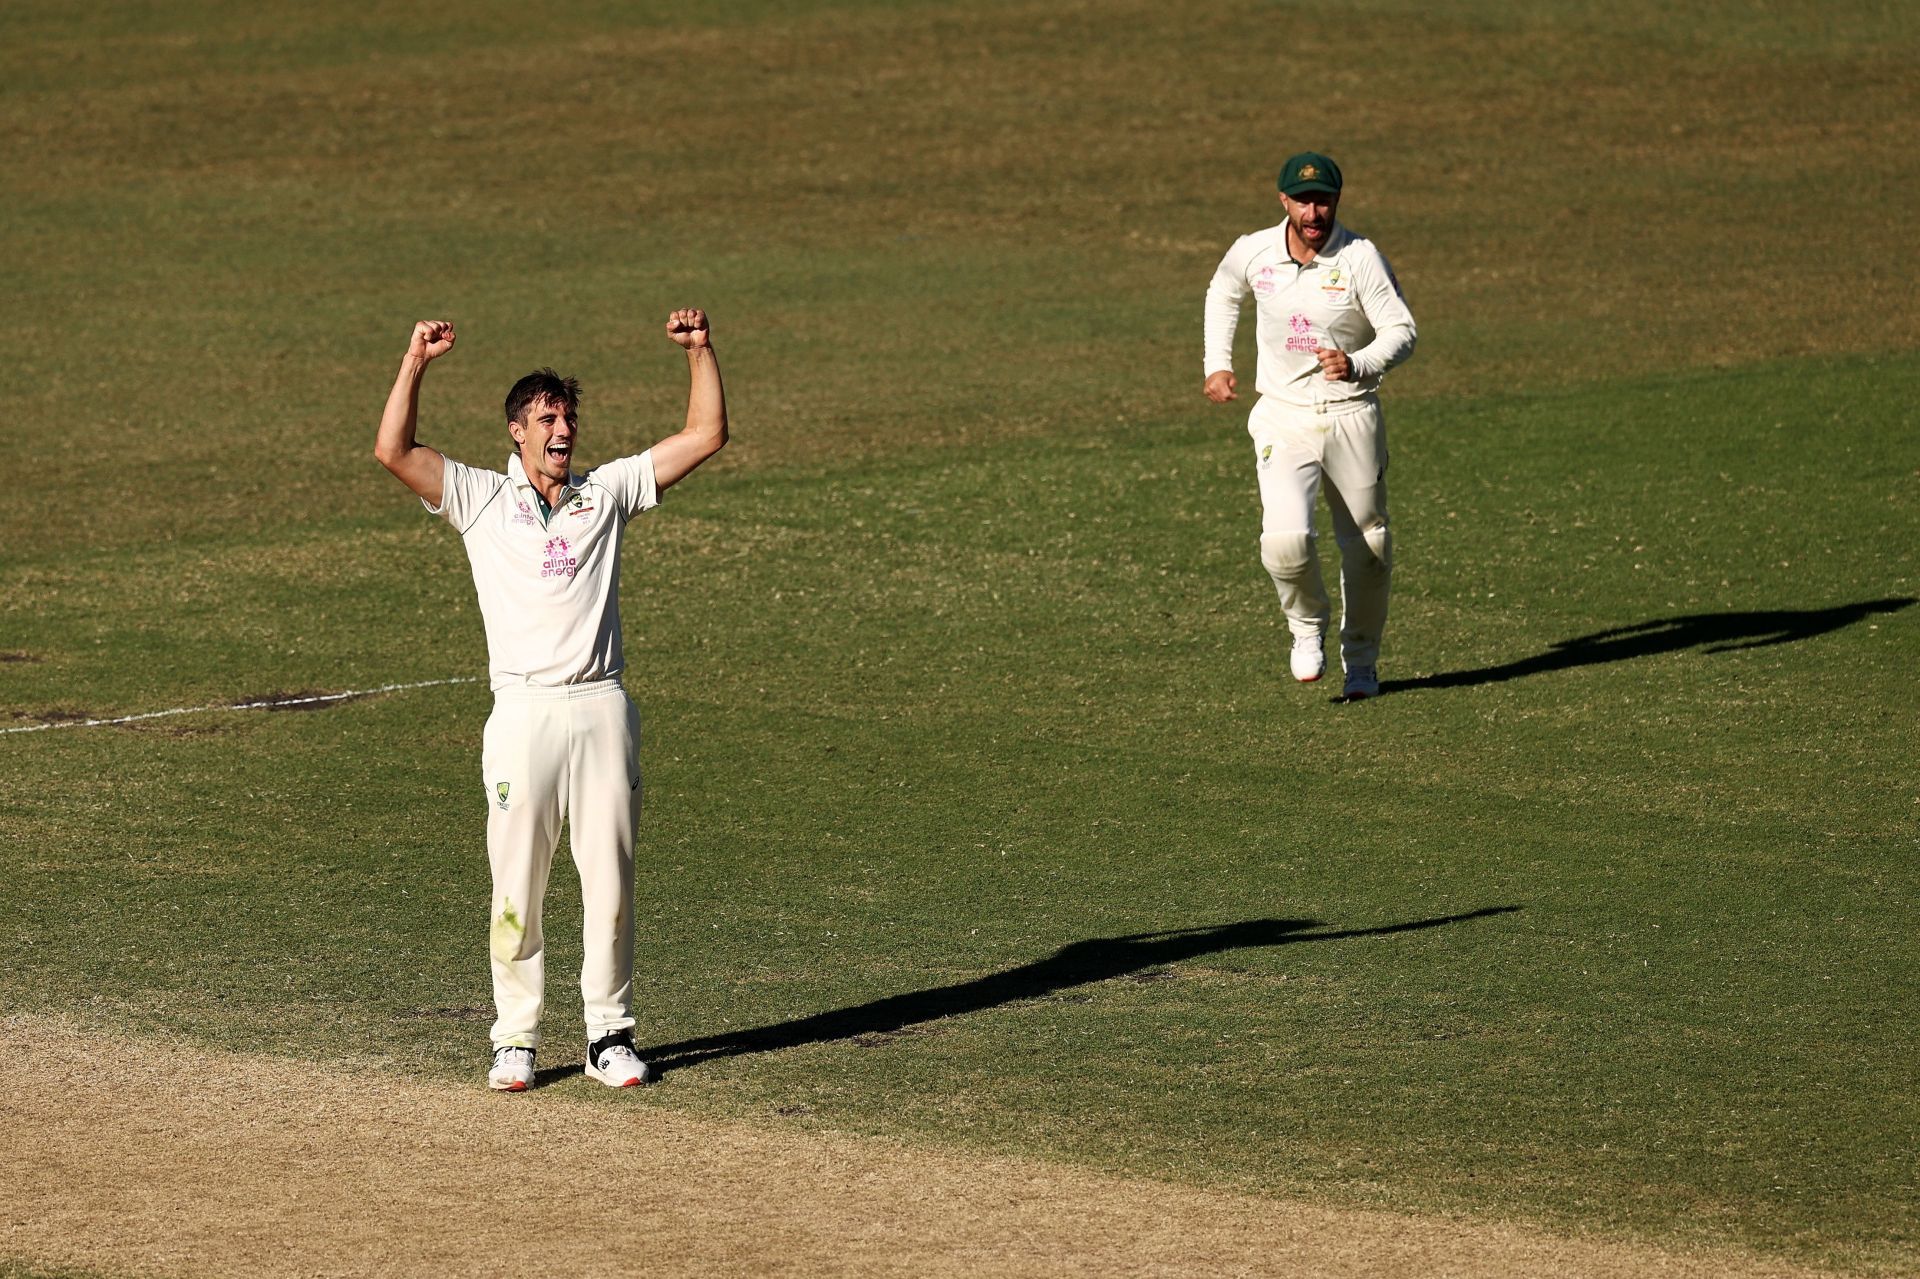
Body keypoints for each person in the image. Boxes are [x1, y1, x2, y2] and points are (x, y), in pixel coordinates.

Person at [373, 309, 728, 1091]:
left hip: (601, 707)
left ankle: (609, 1035)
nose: (562, 428)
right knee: (517, 882)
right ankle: (517, 1039)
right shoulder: (478, 500)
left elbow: (705, 435)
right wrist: (413, 361)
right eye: (546, 418)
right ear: (516, 433)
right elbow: (392, 450)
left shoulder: (606, 493)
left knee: (610, 878)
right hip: (524, 713)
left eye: (568, 416)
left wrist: (700, 351)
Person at [1203, 152, 1416, 699]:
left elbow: (1401, 329)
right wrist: (1217, 364)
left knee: (1370, 545)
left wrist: (1359, 363)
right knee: (1284, 541)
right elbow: (1223, 292)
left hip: (1350, 415)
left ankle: (1362, 662)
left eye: (1323, 199)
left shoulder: (1359, 256)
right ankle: (1305, 627)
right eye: (1303, 200)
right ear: (1283, 201)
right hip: (1282, 415)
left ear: (1337, 200)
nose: (1313, 211)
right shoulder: (1255, 251)